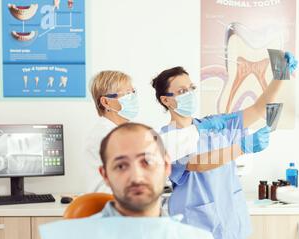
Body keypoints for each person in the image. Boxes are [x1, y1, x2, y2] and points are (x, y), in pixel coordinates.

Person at [152, 53, 298, 239]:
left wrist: (280, 76)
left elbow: (257, 108)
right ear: (167, 100)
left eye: (192, 88)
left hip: (231, 229)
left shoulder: (214, 124)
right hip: (197, 234)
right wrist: (242, 147)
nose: (190, 93)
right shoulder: (167, 138)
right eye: (182, 90)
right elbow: (197, 163)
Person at [34, 123, 233, 239]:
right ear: (105, 175)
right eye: (121, 165)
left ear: (166, 166)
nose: (136, 176)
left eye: (146, 161)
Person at [85, 70, 233, 193]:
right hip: (113, 204)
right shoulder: (105, 135)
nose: (133, 97)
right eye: (126, 94)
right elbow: (151, 156)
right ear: (106, 102)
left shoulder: (127, 130)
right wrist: (197, 129)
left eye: (133, 92)